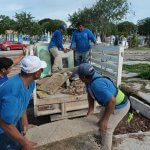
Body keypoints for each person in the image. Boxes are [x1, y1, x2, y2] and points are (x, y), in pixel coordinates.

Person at [77, 63, 130, 150]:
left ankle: (105, 147)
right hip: (110, 103)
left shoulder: (97, 85)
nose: (78, 78)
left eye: (79, 76)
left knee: (107, 128)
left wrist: (105, 121)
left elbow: (112, 101)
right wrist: (91, 108)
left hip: (120, 106)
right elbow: (90, 94)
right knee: (100, 118)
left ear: (83, 77)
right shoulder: (90, 79)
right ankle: (100, 134)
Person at [0, 56, 47, 150]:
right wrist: (25, 143)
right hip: (3, 130)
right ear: (37, 73)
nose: (41, 71)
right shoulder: (14, 91)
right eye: (41, 70)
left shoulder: (31, 83)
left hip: (12, 124)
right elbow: (4, 123)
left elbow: (23, 105)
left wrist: (25, 124)